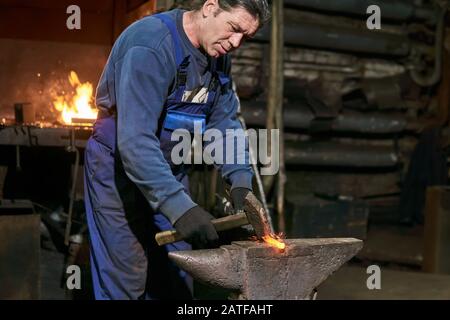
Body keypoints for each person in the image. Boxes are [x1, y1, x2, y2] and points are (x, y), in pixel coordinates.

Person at [83, 0, 270, 300]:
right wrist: (179, 207)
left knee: (177, 273)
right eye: (234, 29)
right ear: (210, 7)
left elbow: (223, 122)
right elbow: (134, 142)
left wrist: (240, 183)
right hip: (116, 167)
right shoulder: (151, 45)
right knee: (125, 276)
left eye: (245, 37)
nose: (236, 43)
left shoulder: (217, 56)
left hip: (169, 168)